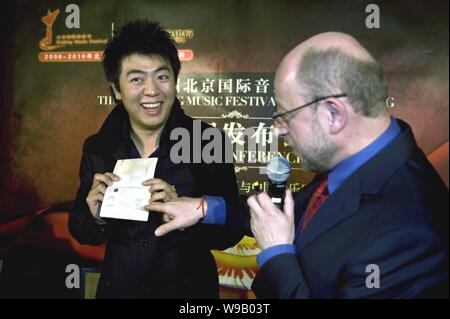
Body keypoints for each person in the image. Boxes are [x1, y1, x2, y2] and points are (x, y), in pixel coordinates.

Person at [147, 32, 449, 298]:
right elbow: (287, 212)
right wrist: (201, 208)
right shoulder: (353, 166)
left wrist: (278, 255)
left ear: (333, 114)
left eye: (285, 116)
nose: (278, 130)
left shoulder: (411, 233)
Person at [68, 19, 243, 298]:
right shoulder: (98, 148)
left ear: (174, 80)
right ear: (116, 88)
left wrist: (195, 212)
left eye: (162, 76)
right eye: (136, 79)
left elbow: (233, 228)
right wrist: (94, 216)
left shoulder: (209, 141)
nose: (152, 90)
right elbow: (81, 230)